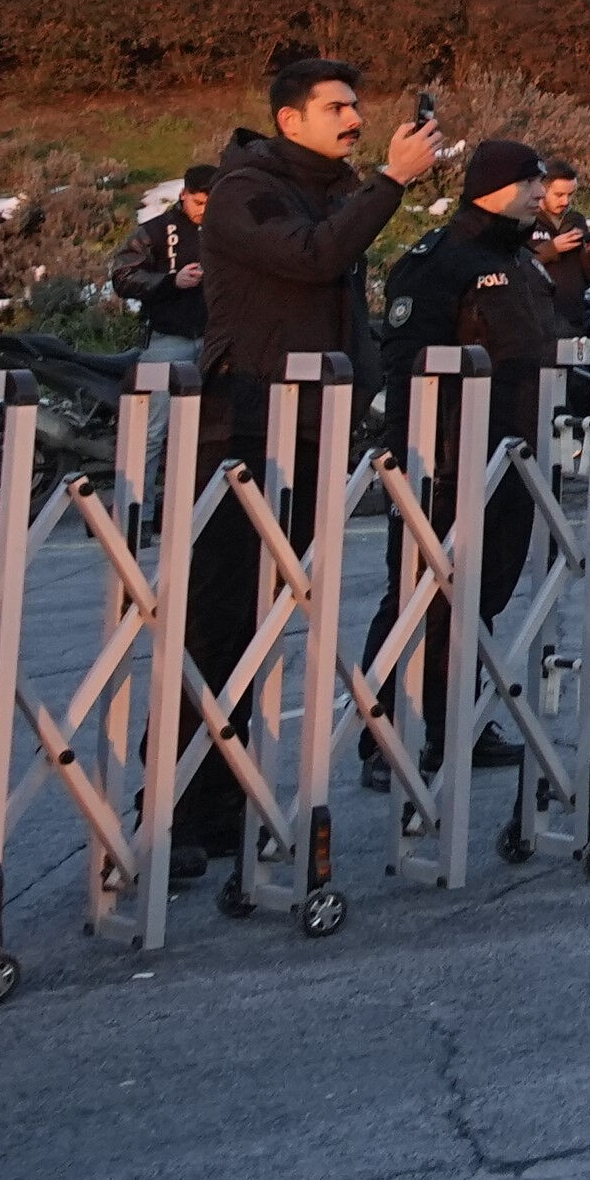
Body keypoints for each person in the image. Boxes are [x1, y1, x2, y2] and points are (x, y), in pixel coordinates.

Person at [177, 54, 441, 888]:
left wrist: (364, 387)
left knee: (267, 628)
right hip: (243, 427)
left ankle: (233, 804)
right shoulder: (244, 191)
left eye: (357, 106)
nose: (354, 119)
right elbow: (313, 260)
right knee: (215, 626)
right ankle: (184, 813)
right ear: (289, 120)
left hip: (314, 429)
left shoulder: (328, 190)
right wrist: (393, 183)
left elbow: (340, 299)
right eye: (336, 107)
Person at [360, 139, 574, 784]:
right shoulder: (439, 261)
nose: (542, 195)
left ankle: (459, 728)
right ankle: (378, 738)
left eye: (542, 184)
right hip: (447, 463)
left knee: (480, 599)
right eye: (528, 183)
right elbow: (406, 367)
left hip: (516, 455)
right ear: (489, 185)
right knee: (416, 596)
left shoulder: (524, 262)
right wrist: (412, 464)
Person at [106, 155, 219, 367]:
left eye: (211, 204)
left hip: (216, 340)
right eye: (199, 203)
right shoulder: (153, 231)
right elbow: (123, 277)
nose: (204, 211)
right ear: (183, 194)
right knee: (162, 398)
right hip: (167, 338)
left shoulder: (227, 230)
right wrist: (172, 281)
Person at [524, 168, 590, 318]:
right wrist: (553, 248)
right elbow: (519, 265)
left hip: (576, 312)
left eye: (570, 195)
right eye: (559, 195)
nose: (565, 201)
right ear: (541, 190)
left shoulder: (576, 220)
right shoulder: (525, 222)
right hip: (540, 314)